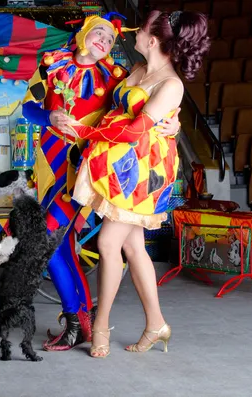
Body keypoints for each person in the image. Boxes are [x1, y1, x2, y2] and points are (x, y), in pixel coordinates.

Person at [51, 10, 210, 358]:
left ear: (151, 40)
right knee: (134, 248)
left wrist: (84, 131)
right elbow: (113, 101)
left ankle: (101, 325)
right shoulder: (138, 69)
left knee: (109, 243)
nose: (132, 34)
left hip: (142, 175)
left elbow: (136, 129)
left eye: (139, 31)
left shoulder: (171, 84)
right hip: (118, 168)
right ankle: (156, 324)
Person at [21, 12, 181, 351]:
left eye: (110, 39)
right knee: (129, 247)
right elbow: (27, 108)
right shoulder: (52, 64)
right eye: (99, 33)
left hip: (96, 169)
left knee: (57, 240)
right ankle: (148, 323)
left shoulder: (115, 74)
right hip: (53, 163)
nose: (105, 41)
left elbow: (147, 114)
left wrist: (174, 124)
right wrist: (49, 115)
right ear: (82, 34)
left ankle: (86, 322)